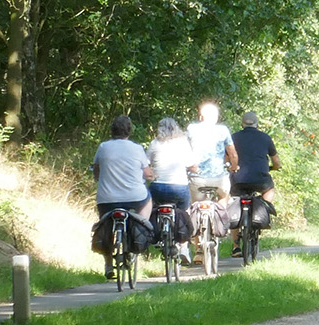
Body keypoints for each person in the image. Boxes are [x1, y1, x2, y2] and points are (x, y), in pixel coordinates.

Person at [91, 116, 151, 279]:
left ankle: (108, 264)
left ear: (112, 131)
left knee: (105, 225)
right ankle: (142, 226)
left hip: (107, 198)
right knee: (148, 199)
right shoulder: (137, 148)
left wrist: (100, 178)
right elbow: (147, 173)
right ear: (129, 131)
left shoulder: (103, 147)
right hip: (135, 197)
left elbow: (96, 170)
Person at [145, 117, 198, 264]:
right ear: (176, 128)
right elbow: (192, 164)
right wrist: (194, 168)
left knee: (152, 207)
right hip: (179, 187)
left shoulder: (154, 144)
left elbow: (146, 164)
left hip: (158, 187)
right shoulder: (182, 142)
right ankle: (184, 247)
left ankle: (155, 234)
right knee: (185, 210)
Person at [228, 111, 280, 257]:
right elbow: (277, 162)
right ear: (257, 124)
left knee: (235, 206)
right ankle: (262, 209)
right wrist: (275, 168)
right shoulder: (265, 138)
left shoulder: (234, 137)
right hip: (260, 179)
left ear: (242, 124)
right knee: (269, 190)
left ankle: (236, 245)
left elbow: (227, 158)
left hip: (238, 180)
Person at [186, 101, 238, 202]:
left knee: (193, 204)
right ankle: (222, 217)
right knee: (224, 196)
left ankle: (193, 216)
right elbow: (233, 154)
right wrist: (234, 167)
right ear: (217, 117)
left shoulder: (191, 129)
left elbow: (184, 149)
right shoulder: (223, 130)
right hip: (219, 179)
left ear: (201, 117)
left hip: (197, 178)